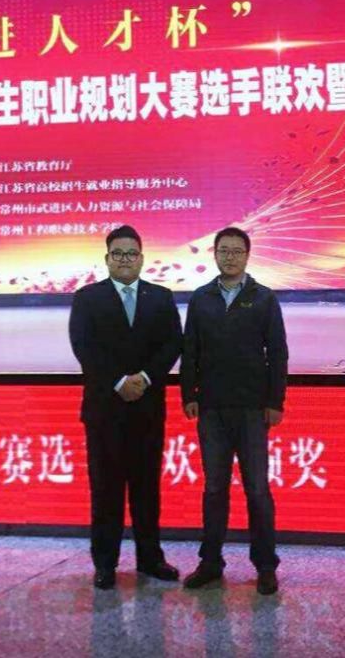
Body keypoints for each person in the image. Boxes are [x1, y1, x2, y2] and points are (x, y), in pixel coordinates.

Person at [69, 224, 183, 590]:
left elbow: (172, 344)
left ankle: (151, 559)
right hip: (105, 410)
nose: (124, 260)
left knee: (147, 488)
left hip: (147, 408)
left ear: (142, 259)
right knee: (106, 489)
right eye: (117, 254)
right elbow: (84, 347)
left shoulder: (161, 297)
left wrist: (145, 378)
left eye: (131, 254)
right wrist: (119, 382)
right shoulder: (87, 298)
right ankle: (105, 563)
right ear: (107, 259)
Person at [180, 226, 288, 596]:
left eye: (236, 251)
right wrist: (188, 394)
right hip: (211, 407)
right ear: (214, 254)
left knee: (257, 488)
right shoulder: (201, 298)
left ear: (247, 256)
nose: (229, 257)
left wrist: (275, 402)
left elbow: (277, 353)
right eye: (223, 250)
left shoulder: (264, 298)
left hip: (253, 409)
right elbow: (190, 350)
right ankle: (210, 562)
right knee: (214, 488)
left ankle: (266, 565)